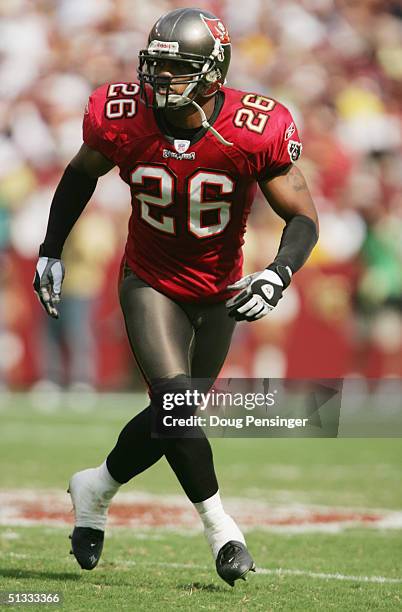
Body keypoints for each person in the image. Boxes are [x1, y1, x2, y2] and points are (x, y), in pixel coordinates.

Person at [33, 8, 318, 586]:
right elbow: (81, 172)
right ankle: (222, 531)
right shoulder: (123, 117)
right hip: (149, 278)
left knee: (175, 415)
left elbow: (304, 218)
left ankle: (96, 487)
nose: (160, 80)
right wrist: (50, 248)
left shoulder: (253, 128)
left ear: (214, 73)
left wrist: (277, 274)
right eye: (155, 66)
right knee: (177, 405)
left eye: (177, 68)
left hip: (219, 288)